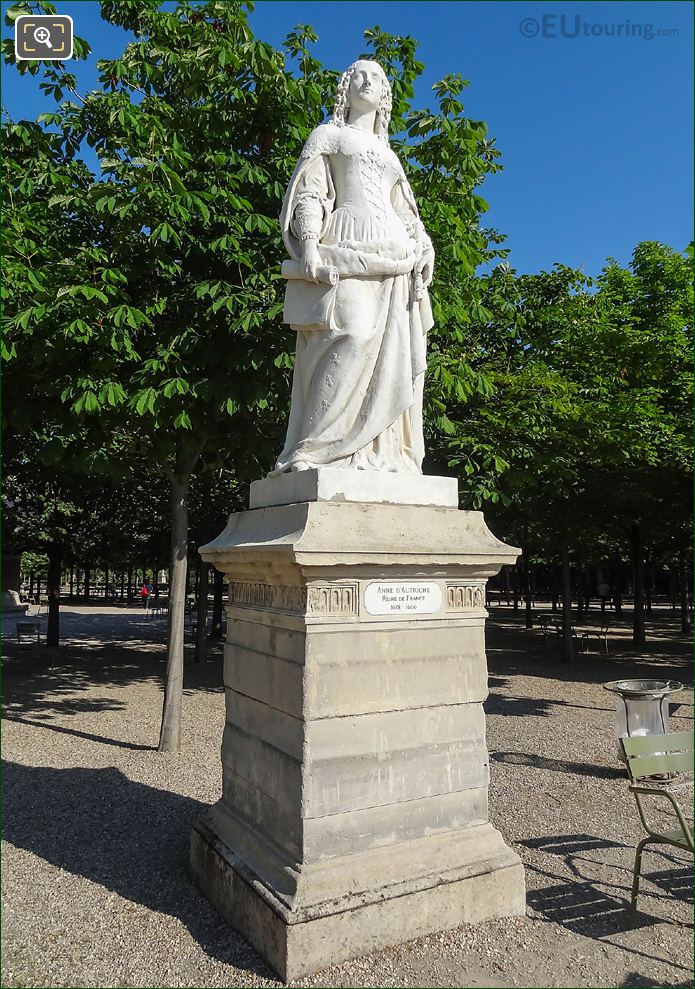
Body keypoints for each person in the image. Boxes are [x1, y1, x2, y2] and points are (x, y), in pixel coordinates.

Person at [272, 59, 435, 475]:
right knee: (351, 334)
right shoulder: (328, 135)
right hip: (346, 244)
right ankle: (316, 449)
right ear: (347, 87)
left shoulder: (389, 154)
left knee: (392, 355)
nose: (368, 80)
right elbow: (311, 191)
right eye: (359, 74)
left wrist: (424, 245)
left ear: (385, 95)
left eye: (377, 76)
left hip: (395, 257)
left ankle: (380, 453)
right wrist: (309, 244)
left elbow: (407, 214)